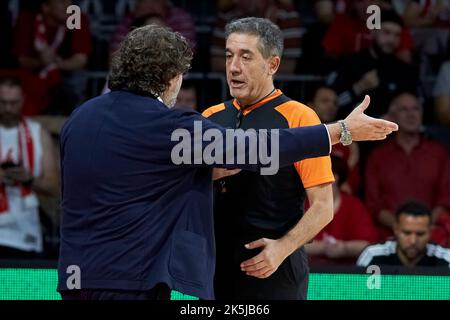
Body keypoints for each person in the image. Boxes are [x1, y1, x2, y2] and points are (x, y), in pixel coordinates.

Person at [57, 24, 398, 301]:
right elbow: (252, 149)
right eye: (230, 55)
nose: (234, 66)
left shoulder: (79, 118)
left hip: (77, 275)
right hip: (138, 279)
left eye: (245, 56)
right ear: (170, 78)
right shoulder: (179, 124)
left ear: (272, 64)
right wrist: (342, 131)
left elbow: (323, 206)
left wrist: (282, 248)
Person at [365, 92, 450, 240]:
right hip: (389, 238)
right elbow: (374, 205)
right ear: (392, 117)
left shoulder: (439, 153)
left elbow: (445, 200)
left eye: (415, 109)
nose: (411, 114)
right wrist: (403, 229)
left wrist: (421, 229)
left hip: (431, 238)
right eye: (404, 109)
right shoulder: (378, 157)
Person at [0, 76, 59, 258]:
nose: (8, 108)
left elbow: (55, 187)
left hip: (25, 233)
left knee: (23, 286)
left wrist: (28, 179)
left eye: (13, 103)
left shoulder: (38, 133)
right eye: (3, 102)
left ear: (23, 100)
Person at [327, 10, 418, 118]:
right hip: (352, 130)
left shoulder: (404, 70)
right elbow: (330, 105)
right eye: (387, 32)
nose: (391, 40)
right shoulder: (350, 63)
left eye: (397, 35)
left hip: (391, 131)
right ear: (373, 32)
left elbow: (414, 106)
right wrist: (359, 87)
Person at [13, 0, 92, 115]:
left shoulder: (75, 17)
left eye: (69, 2)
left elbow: (80, 59)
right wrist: (41, 61)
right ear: (46, 7)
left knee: (76, 79)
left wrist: (56, 63)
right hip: (34, 71)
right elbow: (22, 60)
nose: (68, 6)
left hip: (64, 72)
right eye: (61, 2)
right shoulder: (28, 18)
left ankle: (75, 120)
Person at [305, 155, 378, 266]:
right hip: (308, 272)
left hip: (346, 274)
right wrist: (323, 248)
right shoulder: (302, 205)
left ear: (335, 177)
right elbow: (289, 244)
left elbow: (367, 245)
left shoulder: (353, 206)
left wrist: (344, 248)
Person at [210, 0, 302, 74]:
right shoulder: (227, 15)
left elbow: (288, 66)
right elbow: (217, 63)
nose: (235, 1)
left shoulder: (286, 16)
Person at [357, 201, 450, 268]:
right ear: (396, 229)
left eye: (420, 234)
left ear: (430, 232)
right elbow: (358, 293)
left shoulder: (446, 259)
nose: (413, 241)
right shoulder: (373, 255)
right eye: (406, 233)